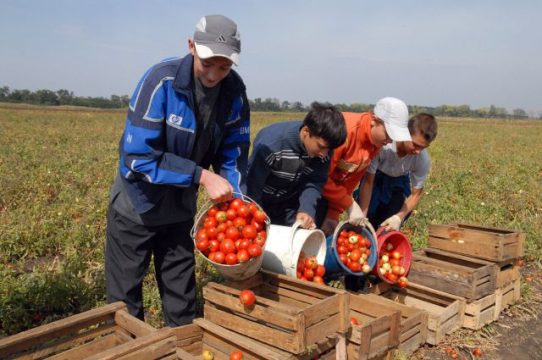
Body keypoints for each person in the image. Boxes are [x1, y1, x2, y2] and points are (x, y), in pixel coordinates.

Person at [105, 15, 250, 326]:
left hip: (179, 208)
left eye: (224, 67)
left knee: (181, 294)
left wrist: (238, 201)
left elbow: (234, 151)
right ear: (191, 46)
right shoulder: (161, 81)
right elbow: (138, 157)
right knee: (124, 297)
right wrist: (202, 175)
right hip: (138, 204)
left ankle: (180, 346)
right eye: (208, 62)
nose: (214, 75)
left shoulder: (234, 92)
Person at [317, 97, 412, 236]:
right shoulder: (344, 132)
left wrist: (333, 213)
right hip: (307, 190)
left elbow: (350, 179)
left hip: (330, 194)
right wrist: (349, 204)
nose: (390, 140)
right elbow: (320, 176)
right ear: (374, 119)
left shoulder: (376, 143)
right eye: (389, 133)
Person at [246, 103, 347, 229]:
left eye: (329, 149)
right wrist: (257, 216)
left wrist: (306, 209)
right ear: (306, 132)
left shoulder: (324, 149)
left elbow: (314, 181)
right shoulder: (272, 145)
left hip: (289, 203)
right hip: (262, 201)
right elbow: (253, 186)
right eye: (321, 147)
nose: (324, 154)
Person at [358, 113, 438, 231]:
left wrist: (398, 217)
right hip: (376, 179)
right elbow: (368, 181)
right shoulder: (385, 145)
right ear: (405, 133)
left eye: (423, 147)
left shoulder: (422, 159)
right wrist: (362, 216)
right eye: (415, 145)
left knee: (387, 225)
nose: (418, 151)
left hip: (398, 183)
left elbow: (416, 193)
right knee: (368, 217)